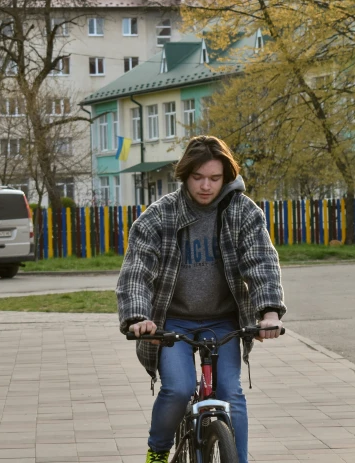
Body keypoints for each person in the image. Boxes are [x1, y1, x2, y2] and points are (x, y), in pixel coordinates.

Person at [116, 135, 286, 463]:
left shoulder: (242, 211)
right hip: (172, 322)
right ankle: (158, 450)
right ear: (184, 175)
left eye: (214, 178)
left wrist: (269, 312)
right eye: (197, 177)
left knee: (231, 393)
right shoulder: (160, 215)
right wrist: (139, 317)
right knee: (178, 389)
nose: (206, 186)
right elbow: (137, 270)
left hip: (222, 321)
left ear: (226, 177)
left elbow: (261, 260)